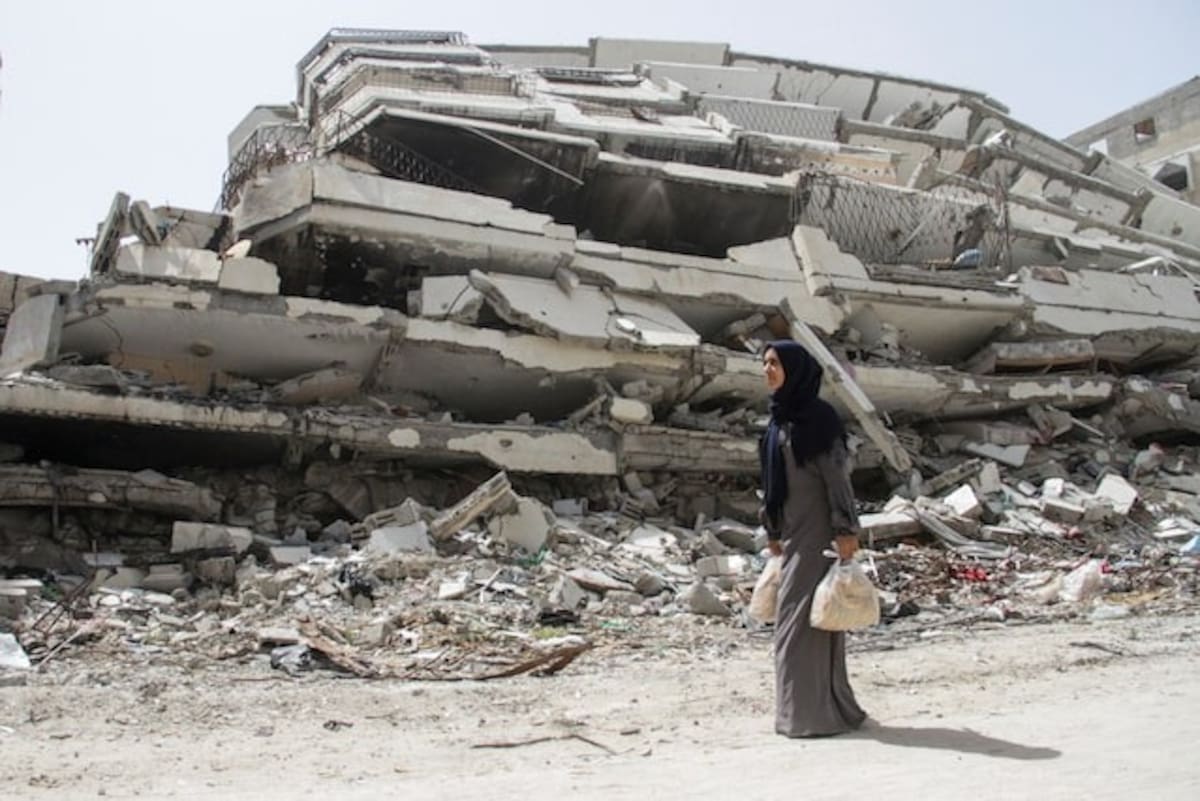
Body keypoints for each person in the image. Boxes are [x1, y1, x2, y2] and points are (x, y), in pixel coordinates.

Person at [759, 339, 867, 738]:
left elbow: (836, 477)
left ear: (795, 368)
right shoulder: (778, 420)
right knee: (813, 623)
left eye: (774, 363)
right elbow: (772, 483)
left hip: (819, 532)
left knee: (796, 625)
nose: (766, 370)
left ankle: (806, 717)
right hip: (792, 532)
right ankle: (831, 709)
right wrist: (771, 530)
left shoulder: (819, 419)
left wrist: (845, 531)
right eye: (765, 363)